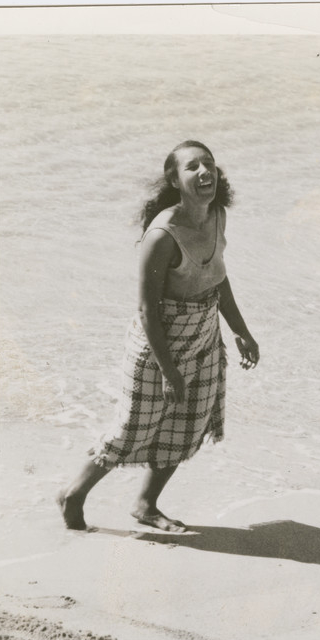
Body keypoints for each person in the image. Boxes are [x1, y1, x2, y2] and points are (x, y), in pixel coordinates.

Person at [57, 140, 259, 533]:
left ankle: (146, 504)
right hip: (158, 342)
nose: (205, 173)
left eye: (210, 165)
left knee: (188, 423)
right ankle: (73, 493)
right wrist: (169, 370)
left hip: (203, 331)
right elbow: (147, 310)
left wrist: (241, 331)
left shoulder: (217, 215)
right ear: (174, 179)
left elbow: (217, 275)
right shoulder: (162, 235)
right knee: (133, 427)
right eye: (193, 167)